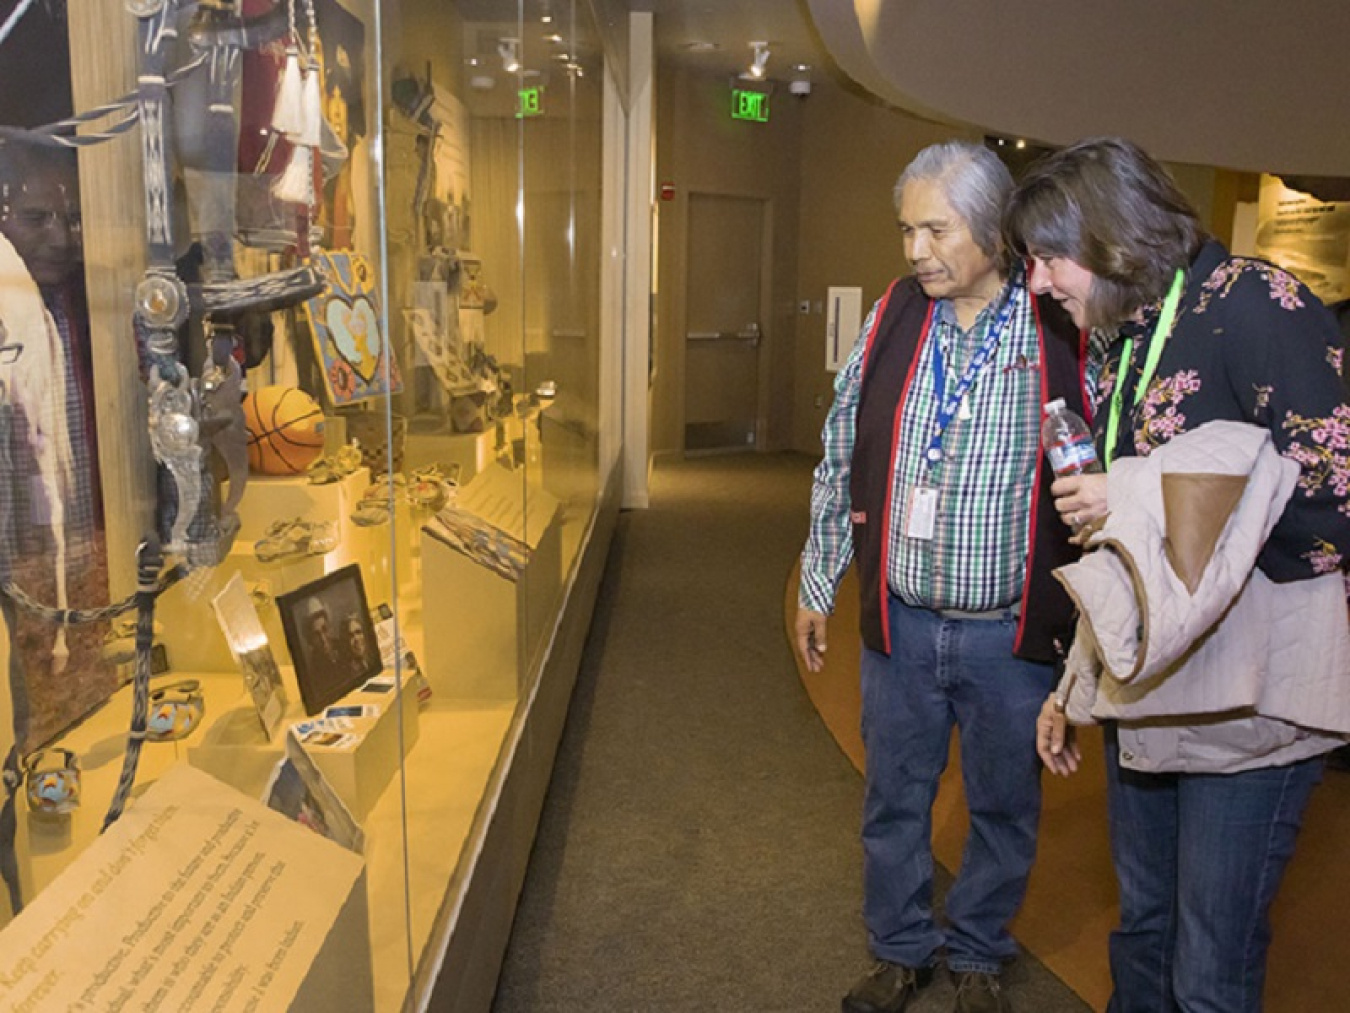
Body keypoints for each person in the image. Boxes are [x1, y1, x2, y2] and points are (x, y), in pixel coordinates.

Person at [1009, 137, 1350, 1013]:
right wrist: (1075, 679)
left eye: (1049, 258)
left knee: (1209, 964)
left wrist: (1131, 493)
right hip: (1153, 691)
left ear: (1113, 235)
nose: (1040, 283)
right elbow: (1134, 553)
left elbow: (1333, 504)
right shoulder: (1128, 339)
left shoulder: (1258, 304)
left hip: (1251, 705)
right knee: (1146, 932)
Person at [795, 140, 1094, 1013]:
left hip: (1011, 633)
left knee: (1004, 805)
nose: (915, 250)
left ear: (995, 230)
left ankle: (976, 952)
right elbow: (841, 451)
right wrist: (821, 581)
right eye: (906, 230)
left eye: (936, 228)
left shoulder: (1058, 328)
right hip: (904, 622)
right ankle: (899, 949)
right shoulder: (893, 316)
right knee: (895, 801)